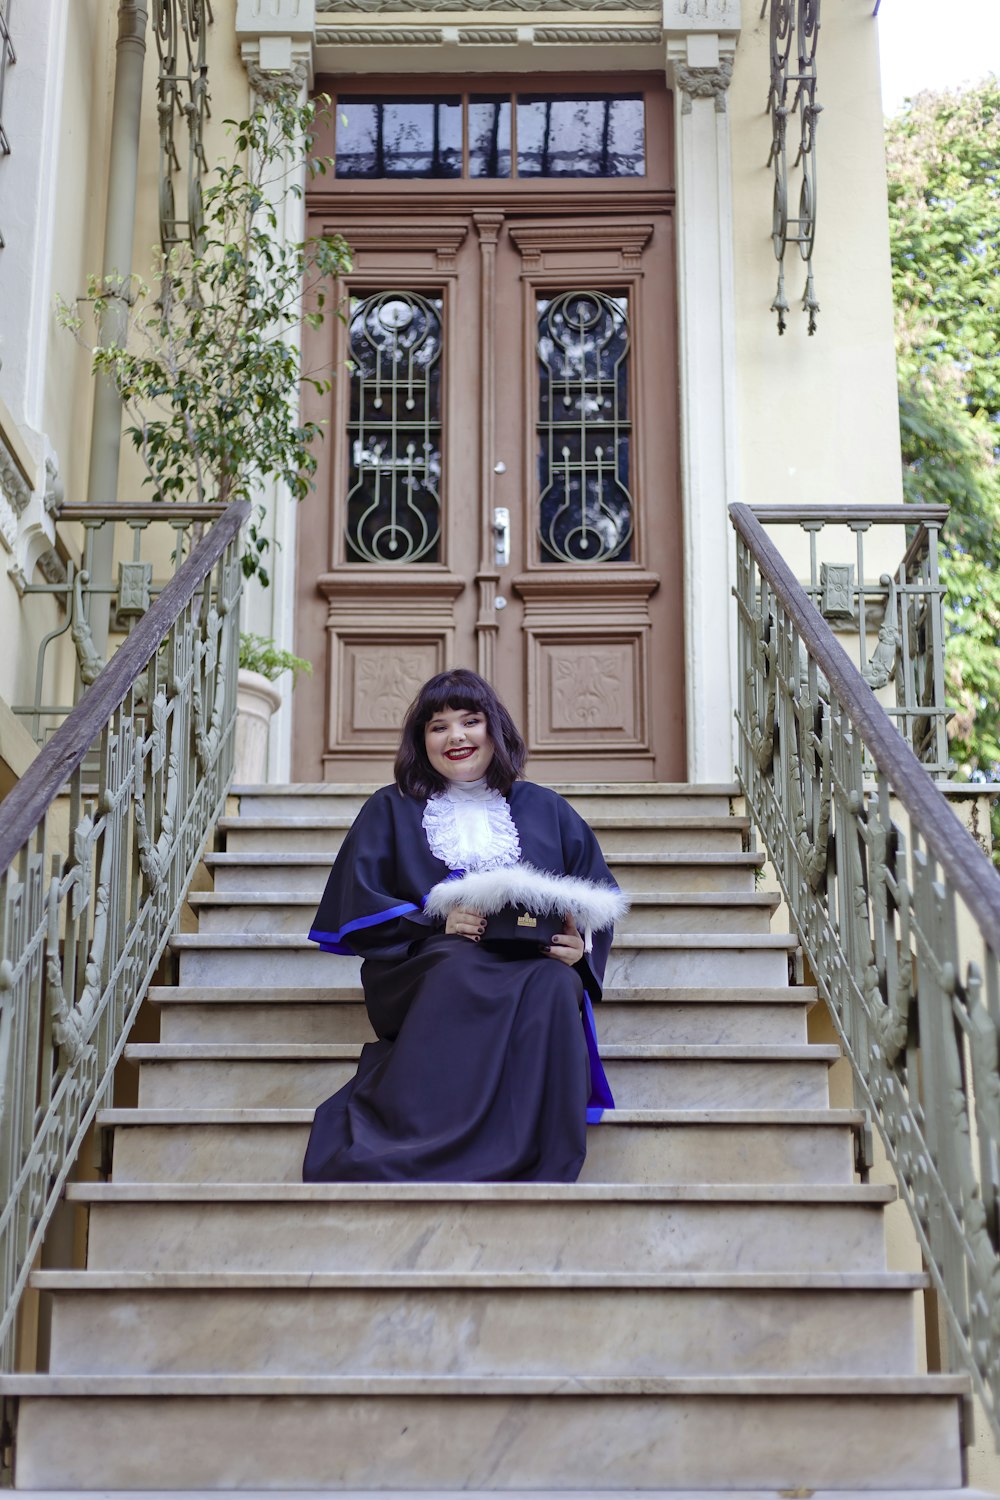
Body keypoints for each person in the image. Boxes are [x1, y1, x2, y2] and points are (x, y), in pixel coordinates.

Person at [302, 669, 621, 1184]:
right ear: (420, 741)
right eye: (438, 726)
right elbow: (357, 902)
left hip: (528, 962)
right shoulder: (390, 806)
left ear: (494, 730)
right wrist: (434, 922)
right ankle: (431, 1134)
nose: (456, 736)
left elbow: (597, 894)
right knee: (456, 963)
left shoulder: (546, 808)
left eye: (470, 721)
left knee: (555, 984)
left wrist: (577, 947)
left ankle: (529, 1147)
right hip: (425, 961)